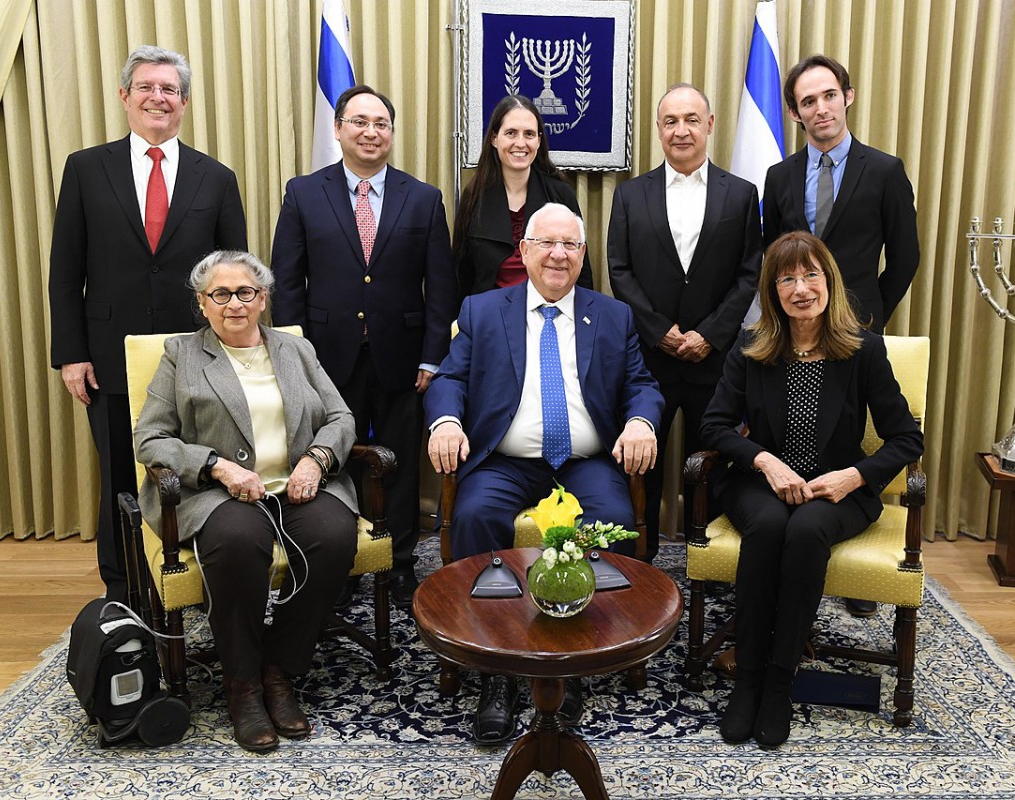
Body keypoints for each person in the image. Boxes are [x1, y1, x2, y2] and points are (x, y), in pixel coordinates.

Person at [425, 203, 664, 744]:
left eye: (570, 245)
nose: (558, 254)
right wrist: (444, 421)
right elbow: (448, 378)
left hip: (585, 461)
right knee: (476, 517)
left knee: (612, 520)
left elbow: (642, 384)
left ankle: (578, 659)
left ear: (582, 256)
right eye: (547, 243)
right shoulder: (483, 310)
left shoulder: (612, 315)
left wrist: (641, 421)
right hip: (506, 461)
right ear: (525, 251)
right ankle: (493, 672)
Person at [700, 232, 923, 748]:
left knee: (804, 531)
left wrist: (856, 475)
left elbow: (906, 436)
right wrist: (764, 461)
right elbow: (713, 426)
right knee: (772, 523)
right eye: (787, 279)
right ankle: (748, 678)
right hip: (760, 484)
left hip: (837, 490)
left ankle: (780, 681)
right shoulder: (751, 347)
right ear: (773, 290)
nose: (801, 288)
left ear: (829, 281)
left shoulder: (864, 351)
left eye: (811, 276)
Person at [134, 251, 359, 752]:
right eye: (221, 294)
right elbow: (149, 438)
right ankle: (243, 687)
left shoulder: (295, 349)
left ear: (263, 300)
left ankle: (279, 671)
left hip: (299, 485)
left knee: (335, 536)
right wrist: (216, 465)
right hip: (219, 494)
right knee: (237, 542)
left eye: (246, 293)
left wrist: (317, 458)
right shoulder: (182, 355)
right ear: (202, 303)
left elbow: (341, 417)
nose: (234, 304)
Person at [49, 45, 248, 606]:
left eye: (170, 90)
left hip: (198, 359)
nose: (158, 98)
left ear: (184, 103)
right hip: (108, 354)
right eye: (147, 88)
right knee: (119, 475)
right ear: (125, 97)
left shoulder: (217, 177)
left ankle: (198, 579)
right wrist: (71, 353)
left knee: (196, 470)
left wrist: (238, 348)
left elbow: (236, 273)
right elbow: (65, 270)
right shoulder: (87, 168)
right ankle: (124, 588)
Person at [271, 84, 456, 608]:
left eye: (381, 123)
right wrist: (292, 356)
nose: (371, 132)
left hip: (402, 358)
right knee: (333, 459)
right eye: (359, 122)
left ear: (392, 133)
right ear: (338, 129)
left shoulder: (423, 198)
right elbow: (288, 282)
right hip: (325, 360)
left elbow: (440, 286)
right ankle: (342, 559)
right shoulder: (304, 193)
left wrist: (432, 355)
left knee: (396, 462)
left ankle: (397, 564)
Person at [760, 54, 920, 618]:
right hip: (795, 334)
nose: (820, 108)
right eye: (808, 101)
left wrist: (869, 317)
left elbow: (905, 257)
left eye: (829, 95)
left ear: (847, 98)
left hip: (854, 336)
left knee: (851, 440)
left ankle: (853, 571)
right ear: (796, 114)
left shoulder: (884, 170)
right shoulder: (779, 178)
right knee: (798, 436)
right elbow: (776, 261)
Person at [607, 83, 762, 563]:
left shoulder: (741, 195)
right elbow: (620, 270)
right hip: (649, 360)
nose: (681, 130)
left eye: (691, 119)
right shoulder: (631, 195)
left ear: (710, 125)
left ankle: (706, 559)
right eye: (670, 121)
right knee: (642, 464)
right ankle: (640, 558)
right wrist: (660, 331)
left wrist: (709, 335)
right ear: (658, 129)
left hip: (715, 362)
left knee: (711, 466)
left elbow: (748, 272)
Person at [453, 94, 594, 299]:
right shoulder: (474, 197)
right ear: (494, 138)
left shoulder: (561, 195)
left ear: (539, 140)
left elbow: (582, 272)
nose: (520, 143)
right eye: (511, 133)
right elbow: (461, 275)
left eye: (529, 134)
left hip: (550, 315)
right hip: (491, 317)